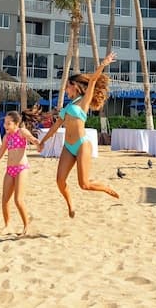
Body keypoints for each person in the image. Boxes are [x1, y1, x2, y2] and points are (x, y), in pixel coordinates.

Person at [37, 52, 119, 217]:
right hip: (68, 147)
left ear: (74, 86)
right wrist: (42, 141)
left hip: (82, 145)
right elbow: (55, 127)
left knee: (84, 184)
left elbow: (93, 80)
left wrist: (103, 64)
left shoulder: (84, 101)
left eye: (67, 86)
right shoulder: (67, 107)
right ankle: (71, 206)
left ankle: (105, 188)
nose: (66, 89)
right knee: (60, 181)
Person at [0, 111, 40, 235]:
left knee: (18, 200)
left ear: (16, 124)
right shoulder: (6, 137)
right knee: (5, 199)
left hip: (21, 168)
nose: (5, 125)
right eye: (5, 123)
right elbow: (0, 153)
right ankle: (8, 225)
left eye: (8, 123)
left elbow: (32, 138)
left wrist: (37, 143)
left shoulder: (21, 132)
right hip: (10, 170)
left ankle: (26, 226)